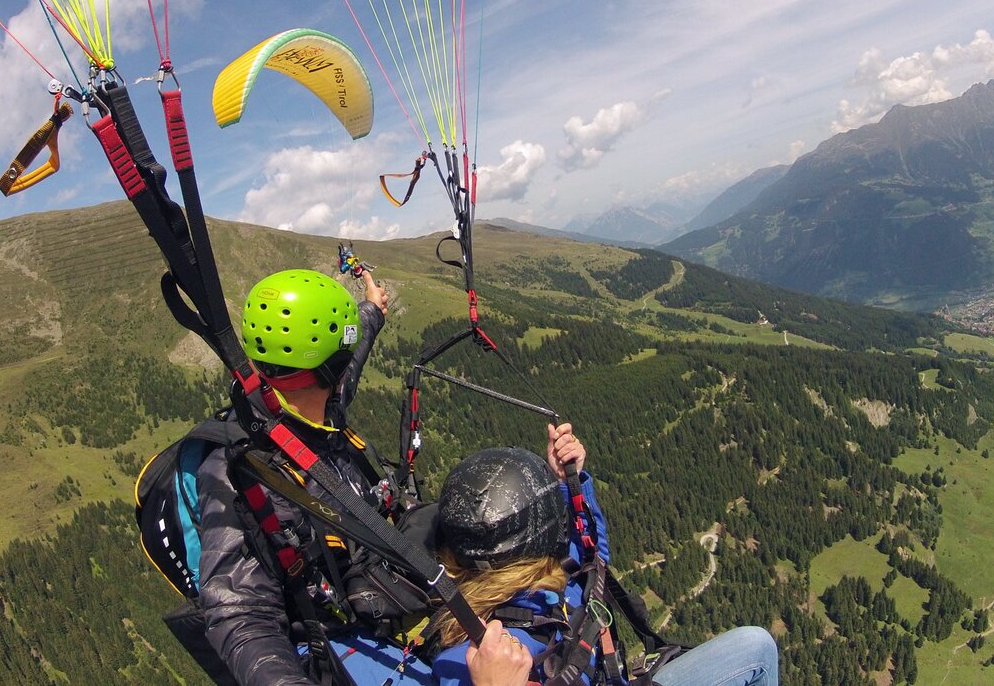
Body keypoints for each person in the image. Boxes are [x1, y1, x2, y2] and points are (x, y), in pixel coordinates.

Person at [195, 267, 432, 685]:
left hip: (374, 582)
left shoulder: (311, 400)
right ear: (331, 369)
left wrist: (372, 309)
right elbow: (240, 614)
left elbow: (348, 356)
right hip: (335, 638)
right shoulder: (240, 471)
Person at [431, 427, 779, 686]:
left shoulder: (544, 584)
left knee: (756, 645)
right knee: (758, 651)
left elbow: (592, 557)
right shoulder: (472, 665)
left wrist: (569, 482)